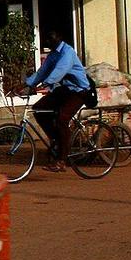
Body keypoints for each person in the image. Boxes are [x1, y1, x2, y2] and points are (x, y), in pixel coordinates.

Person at [23, 38, 93, 171]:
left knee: (62, 119)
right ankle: (57, 139)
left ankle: (62, 160)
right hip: (65, 90)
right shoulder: (53, 54)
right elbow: (41, 72)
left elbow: (60, 71)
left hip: (79, 91)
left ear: (57, 39)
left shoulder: (68, 52)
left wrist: (45, 83)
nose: (48, 42)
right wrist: (26, 84)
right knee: (39, 109)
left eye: (50, 39)